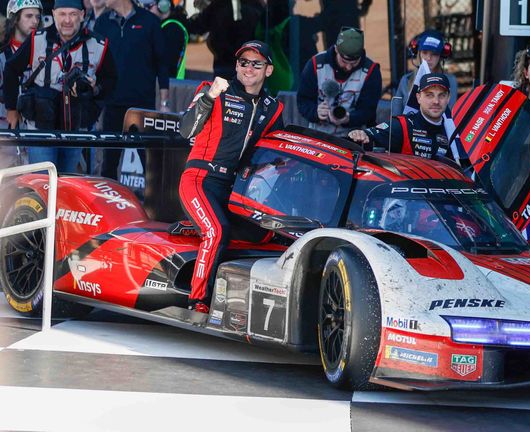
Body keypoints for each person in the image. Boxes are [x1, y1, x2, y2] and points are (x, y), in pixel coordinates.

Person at [178, 40, 284, 314]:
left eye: (256, 63)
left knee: (266, 234)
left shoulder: (273, 108)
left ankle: (193, 226)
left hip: (236, 189)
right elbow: (185, 130)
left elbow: (276, 151)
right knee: (217, 230)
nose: (248, 68)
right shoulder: (216, 91)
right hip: (200, 179)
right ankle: (198, 300)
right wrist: (209, 97)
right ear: (236, 66)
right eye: (243, 63)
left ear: (268, 70)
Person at [3, 0, 116, 173]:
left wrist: (95, 89)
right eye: (62, 14)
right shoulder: (37, 39)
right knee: (43, 184)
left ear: (82, 15)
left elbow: (111, 79)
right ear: (54, 14)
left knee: (70, 184)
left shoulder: (99, 44)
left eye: (73, 14)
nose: (67, 20)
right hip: (41, 129)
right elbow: (11, 69)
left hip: (78, 131)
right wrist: (11, 109)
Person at [95, 0, 169, 179]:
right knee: (109, 163)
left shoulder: (150, 21)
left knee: (150, 164)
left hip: (142, 107)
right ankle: (108, 204)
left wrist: (164, 103)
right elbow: (94, 62)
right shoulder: (102, 22)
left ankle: (155, 206)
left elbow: (162, 64)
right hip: (112, 104)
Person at [348, 73, 464, 165]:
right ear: (418, 97)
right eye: (429, 95)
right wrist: (359, 133)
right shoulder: (402, 125)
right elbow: (368, 136)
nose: (436, 101)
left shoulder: (454, 131)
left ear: (448, 98)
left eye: (441, 95)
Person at [297, 26, 382, 138]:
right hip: (317, 135)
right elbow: (303, 101)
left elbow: (368, 111)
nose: (348, 67)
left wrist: (349, 118)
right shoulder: (315, 64)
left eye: (354, 62)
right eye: (344, 61)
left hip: (352, 138)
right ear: (336, 49)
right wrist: (315, 112)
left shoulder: (371, 71)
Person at [0, 0, 41, 169]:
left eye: (38, 17)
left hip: (36, 133)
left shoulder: (45, 54)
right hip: (5, 134)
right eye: (29, 16)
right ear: (15, 19)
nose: (35, 21)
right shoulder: (2, 55)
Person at [391, 30, 457, 116]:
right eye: (425, 53)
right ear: (418, 53)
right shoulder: (406, 80)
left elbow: (451, 114)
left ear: (442, 55)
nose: (429, 58)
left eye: (434, 54)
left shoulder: (450, 81)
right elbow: (396, 116)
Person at [145, 0, 188, 79]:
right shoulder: (165, 27)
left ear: (163, 5)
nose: (147, 10)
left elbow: (164, 63)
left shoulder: (172, 30)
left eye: (149, 6)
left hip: (168, 85)